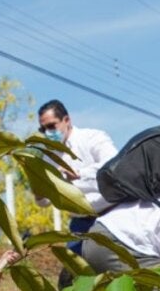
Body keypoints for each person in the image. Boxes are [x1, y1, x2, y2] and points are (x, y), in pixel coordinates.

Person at [36, 99, 117, 238]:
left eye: (51, 126)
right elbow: (45, 201)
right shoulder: (48, 157)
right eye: (43, 129)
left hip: (111, 214)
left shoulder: (92, 137)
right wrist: (39, 192)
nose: (48, 133)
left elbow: (114, 164)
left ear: (66, 120)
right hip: (79, 223)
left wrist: (80, 173)